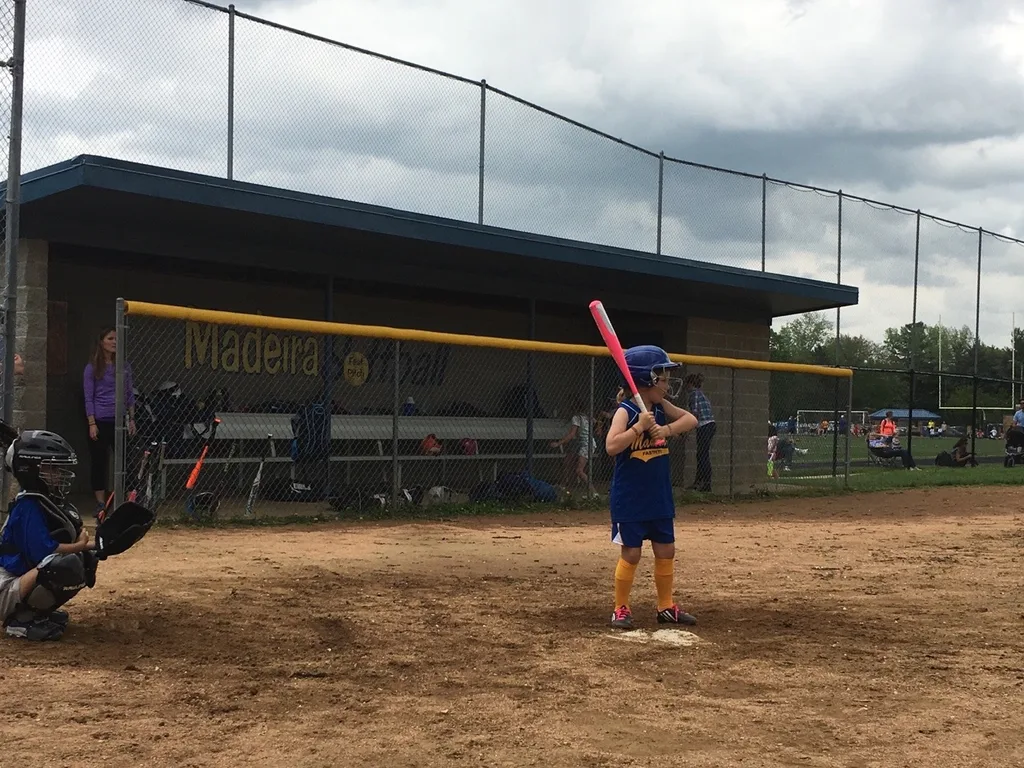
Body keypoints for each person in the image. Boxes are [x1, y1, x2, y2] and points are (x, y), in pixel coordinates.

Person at [605, 345, 698, 630]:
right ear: (646, 380)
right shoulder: (627, 410)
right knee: (631, 553)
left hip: (658, 496)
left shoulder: (659, 407)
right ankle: (621, 608)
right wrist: (638, 428)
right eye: (664, 378)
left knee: (666, 550)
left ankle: (665, 606)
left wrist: (665, 429)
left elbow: (691, 420)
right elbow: (611, 446)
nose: (668, 385)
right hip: (631, 498)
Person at [0, 429, 97, 641]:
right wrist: (80, 545)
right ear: (31, 470)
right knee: (61, 566)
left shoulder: (39, 500)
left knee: (84, 560)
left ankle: (37, 613)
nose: (59, 473)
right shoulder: (28, 507)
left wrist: (100, 546)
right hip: (4, 587)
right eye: (51, 468)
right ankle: (21, 621)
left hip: (16, 581)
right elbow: (48, 551)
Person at [83, 327, 136, 517]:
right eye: (110, 338)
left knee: (126, 460)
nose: (114, 342)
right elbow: (88, 397)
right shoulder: (92, 368)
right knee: (99, 461)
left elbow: (129, 394)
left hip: (119, 419)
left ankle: (127, 500)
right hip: (100, 419)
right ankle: (100, 503)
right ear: (101, 342)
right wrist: (91, 423)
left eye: (116, 339)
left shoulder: (124, 366)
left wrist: (131, 419)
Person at [550, 395, 596, 489]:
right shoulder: (586, 417)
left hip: (586, 445)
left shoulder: (577, 418)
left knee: (579, 470)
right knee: (569, 460)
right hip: (585, 443)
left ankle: (593, 492)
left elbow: (572, 435)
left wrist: (559, 443)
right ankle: (565, 484)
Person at [684, 373, 715, 492]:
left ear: (690, 384)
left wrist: (687, 430)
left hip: (705, 425)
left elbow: (694, 414)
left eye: (687, 384)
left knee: (703, 455)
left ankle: (705, 483)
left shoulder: (694, 394)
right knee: (701, 454)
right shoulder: (701, 393)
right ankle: (699, 481)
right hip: (708, 425)